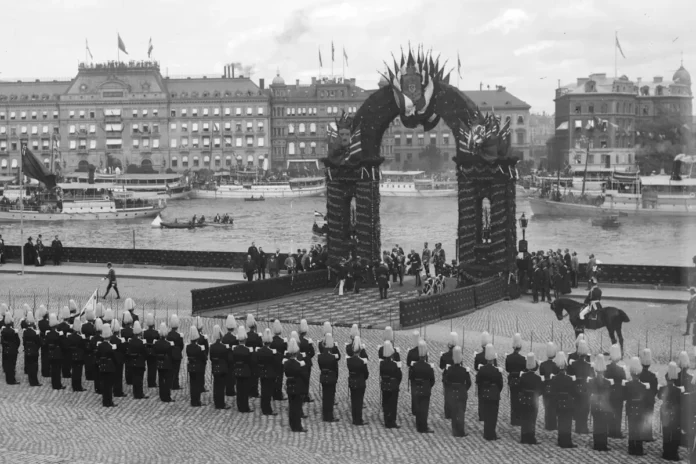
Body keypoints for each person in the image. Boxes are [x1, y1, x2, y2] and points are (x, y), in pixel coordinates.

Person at [476, 343, 503, 440]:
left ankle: (486, 433)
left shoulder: (482, 369)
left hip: (484, 393)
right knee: (493, 416)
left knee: (487, 414)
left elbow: (478, 381)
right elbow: (500, 384)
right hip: (494, 394)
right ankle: (492, 433)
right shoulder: (496, 371)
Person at [551, 351, 577, 448]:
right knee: (567, 423)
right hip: (568, 402)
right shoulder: (569, 379)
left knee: (561, 421)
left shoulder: (555, 379)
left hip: (558, 401)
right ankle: (567, 440)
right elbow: (573, 392)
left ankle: (560, 439)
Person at [444, 346, 471, 437]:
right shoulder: (464, 371)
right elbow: (469, 383)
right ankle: (460, 431)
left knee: (454, 412)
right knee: (461, 412)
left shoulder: (449, 370)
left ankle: (455, 430)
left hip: (452, 393)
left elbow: (446, 381)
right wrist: (464, 389)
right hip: (461, 393)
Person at [567, 339, 593, 434]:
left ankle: (578, 427)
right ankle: (584, 427)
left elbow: (569, 376)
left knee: (577, 407)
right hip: (585, 389)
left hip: (576, 389)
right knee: (585, 408)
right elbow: (591, 377)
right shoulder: (589, 365)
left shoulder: (573, 364)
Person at [659, 362, 683, 461]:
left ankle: (666, 451)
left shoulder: (662, 389)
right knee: (675, 432)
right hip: (674, 412)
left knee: (666, 432)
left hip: (665, 411)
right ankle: (673, 452)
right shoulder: (677, 390)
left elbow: (659, 396)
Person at [283, 338, 309, 432]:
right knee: (297, 407)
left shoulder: (286, 363)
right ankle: (297, 426)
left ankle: (292, 424)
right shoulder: (300, 364)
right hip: (298, 386)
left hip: (289, 385)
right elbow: (304, 376)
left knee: (291, 405)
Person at [588, 353, 612, 451]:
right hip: (604, 405)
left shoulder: (591, 381)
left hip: (594, 404)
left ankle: (596, 443)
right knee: (604, 425)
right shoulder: (607, 382)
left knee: (596, 424)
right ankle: (603, 443)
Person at [518, 352, 542, 444]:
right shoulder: (537, 378)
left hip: (524, 399)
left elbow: (520, 388)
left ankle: (524, 437)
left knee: (525, 418)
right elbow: (541, 390)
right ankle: (531, 437)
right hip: (533, 400)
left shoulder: (523, 377)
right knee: (532, 419)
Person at [625, 356, 647, 456]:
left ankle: (631, 448)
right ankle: (639, 448)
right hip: (640, 409)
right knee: (639, 429)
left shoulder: (628, 385)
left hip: (630, 408)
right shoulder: (643, 386)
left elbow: (625, 397)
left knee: (631, 428)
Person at [347, 335, 369, 426]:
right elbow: (366, 374)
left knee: (353, 400)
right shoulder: (362, 362)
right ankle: (358, 419)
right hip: (360, 382)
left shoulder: (349, 361)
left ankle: (354, 418)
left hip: (352, 381)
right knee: (359, 402)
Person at [317, 332, 340, 422]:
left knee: (325, 397)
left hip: (323, 377)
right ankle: (329, 416)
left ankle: (325, 415)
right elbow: (335, 368)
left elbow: (320, 367)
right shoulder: (332, 357)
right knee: (330, 398)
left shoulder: (320, 357)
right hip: (331, 378)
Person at [605, 344, 626, 438]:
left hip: (609, 394)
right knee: (618, 413)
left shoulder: (607, 368)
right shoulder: (621, 369)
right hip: (618, 395)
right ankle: (616, 431)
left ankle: (610, 430)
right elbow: (624, 382)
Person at [506, 333, 526, 426]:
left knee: (513, 399)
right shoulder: (522, 359)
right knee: (519, 399)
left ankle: (513, 418)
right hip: (520, 381)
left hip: (511, 380)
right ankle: (519, 417)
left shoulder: (508, 357)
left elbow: (507, 369)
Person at [232, 325, 254, 413]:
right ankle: (245, 407)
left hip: (237, 371)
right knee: (244, 390)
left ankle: (239, 406)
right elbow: (250, 362)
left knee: (239, 389)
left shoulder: (235, 349)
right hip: (245, 371)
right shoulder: (247, 350)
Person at [257, 328, 278, 416]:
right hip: (270, 374)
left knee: (263, 390)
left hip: (262, 372)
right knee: (268, 392)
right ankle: (267, 409)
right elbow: (276, 364)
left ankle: (263, 407)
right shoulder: (272, 352)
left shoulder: (259, 351)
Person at [638, 348, 658, 441]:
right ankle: (648, 435)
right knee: (649, 417)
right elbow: (655, 390)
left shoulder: (639, 375)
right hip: (649, 400)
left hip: (640, 400)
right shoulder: (652, 376)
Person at [539, 342, 559, 431]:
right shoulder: (556, 365)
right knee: (553, 407)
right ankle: (553, 424)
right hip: (554, 389)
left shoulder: (542, 365)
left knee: (547, 406)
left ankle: (547, 423)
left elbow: (541, 375)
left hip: (545, 388)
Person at [209, 325, 230, 410]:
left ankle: (216, 402)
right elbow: (227, 358)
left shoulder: (212, 346)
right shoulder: (224, 347)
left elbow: (211, 358)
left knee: (216, 386)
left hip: (215, 367)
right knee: (221, 387)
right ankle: (221, 403)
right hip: (222, 368)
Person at [127, 321, 148, 399]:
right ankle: (139, 394)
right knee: (139, 379)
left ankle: (135, 393)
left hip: (132, 362)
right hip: (139, 362)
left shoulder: (130, 342)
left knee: (135, 378)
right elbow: (145, 353)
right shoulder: (141, 342)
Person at [97, 324, 116, 407]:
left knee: (104, 384)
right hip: (109, 367)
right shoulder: (111, 346)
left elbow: (97, 356)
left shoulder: (100, 346)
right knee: (109, 386)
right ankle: (109, 401)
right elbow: (114, 358)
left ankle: (105, 401)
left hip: (102, 367)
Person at [153, 323, 173, 403]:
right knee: (167, 381)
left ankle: (162, 395)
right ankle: (167, 396)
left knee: (161, 379)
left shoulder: (156, 343)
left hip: (159, 363)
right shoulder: (168, 344)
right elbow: (170, 355)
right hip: (167, 364)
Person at [440, 332, 458, 420]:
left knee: (447, 395)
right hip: (455, 377)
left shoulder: (444, 356)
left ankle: (447, 413)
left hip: (447, 377)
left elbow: (441, 366)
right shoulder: (458, 356)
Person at [186, 326, 205, 406]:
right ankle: (197, 400)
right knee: (197, 385)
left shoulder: (188, 347)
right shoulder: (199, 348)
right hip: (198, 367)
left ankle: (193, 400)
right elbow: (204, 358)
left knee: (192, 384)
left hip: (191, 367)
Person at [245, 314, 263, 398]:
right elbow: (260, 346)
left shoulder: (246, 335)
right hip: (255, 358)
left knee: (249, 375)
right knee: (255, 376)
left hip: (248, 357)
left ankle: (248, 391)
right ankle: (254, 392)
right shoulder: (257, 336)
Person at [297, 319, 315, 403]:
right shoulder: (307, 341)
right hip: (306, 363)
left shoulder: (296, 340)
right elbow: (312, 353)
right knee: (306, 380)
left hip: (298, 362)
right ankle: (305, 395)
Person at [22, 311, 41, 387]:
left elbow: (24, 342)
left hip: (27, 350)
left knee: (29, 366)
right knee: (34, 367)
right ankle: (34, 381)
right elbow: (39, 342)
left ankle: (31, 381)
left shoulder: (25, 332)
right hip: (34, 351)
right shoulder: (35, 333)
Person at [67, 318, 86, 392]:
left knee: (74, 371)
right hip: (79, 356)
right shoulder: (80, 337)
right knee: (78, 372)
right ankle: (78, 386)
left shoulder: (70, 336)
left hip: (72, 355)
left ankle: (74, 385)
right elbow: (83, 347)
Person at [221, 315, 238, 397]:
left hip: (225, 358)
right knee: (231, 375)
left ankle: (227, 388)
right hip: (232, 358)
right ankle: (230, 390)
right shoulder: (234, 338)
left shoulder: (224, 338)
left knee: (227, 375)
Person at [1, 313, 20, 385]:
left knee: (7, 364)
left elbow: (2, 341)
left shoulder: (3, 331)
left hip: (6, 349)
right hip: (12, 350)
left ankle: (8, 379)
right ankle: (12, 380)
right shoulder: (14, 331)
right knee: (12, 365)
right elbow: (18, 341)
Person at [270, 320, 287, 401]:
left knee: (273, 377)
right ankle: (278, 394)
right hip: (280, 361)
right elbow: (286, 351)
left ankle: (273, 393)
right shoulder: (283, 341)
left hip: (273, 361)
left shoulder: (271, 340)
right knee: (279, 378)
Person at [167, 314, 183, 390]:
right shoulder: (178, 335)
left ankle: (170, 383)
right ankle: (175, 384)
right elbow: (181, 346)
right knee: (176, 370)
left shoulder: (168, 335)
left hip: (170, 355)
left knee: (171, 370)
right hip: (177, 355)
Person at [143, 313, 159, 388]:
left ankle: (149, 381)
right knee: (153, 368)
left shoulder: (145, 333)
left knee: (149, 367)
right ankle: (152, 382)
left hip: (146, 351)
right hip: (154, 351)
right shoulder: (156, 332)